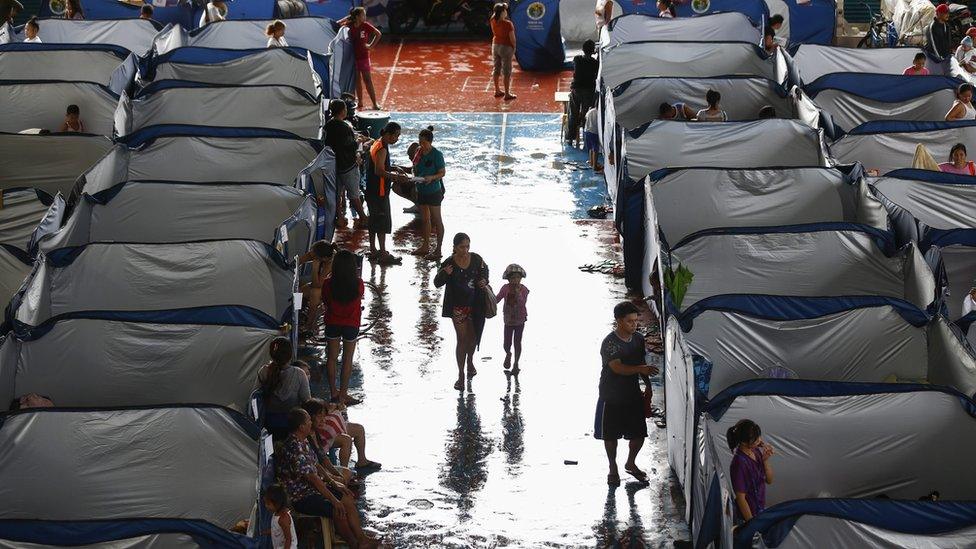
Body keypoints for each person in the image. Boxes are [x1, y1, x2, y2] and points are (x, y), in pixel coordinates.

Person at [276, 409, 379, 548]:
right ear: (301, 427)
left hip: (310, 489)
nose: (311, 423)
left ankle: (362, 538)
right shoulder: (295, 448)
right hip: (300, 497)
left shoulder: (303, 440)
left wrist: (335, 484)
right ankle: (353, 544)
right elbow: (313, 479)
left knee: (347, 497)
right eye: (308, 421)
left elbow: (316, 464)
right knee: (338, 509)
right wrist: (334, 499)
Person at [595, 301, 657, 486]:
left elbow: (641, 363)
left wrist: (648, 387)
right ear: (618, 321)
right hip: (612, 394)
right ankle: (612, 467)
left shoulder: (638, 339)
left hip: (632, 393)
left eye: (635, 321)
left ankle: (630, 462)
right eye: (630, 321)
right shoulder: (610, 343)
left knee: (639, 434)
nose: (634, 324)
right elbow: (618, 368)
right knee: (611, 435)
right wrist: (642, 369)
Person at [434, 233, 489, 391]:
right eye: (462, 247)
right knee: (462, 339)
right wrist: (445, 273)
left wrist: (484, 280)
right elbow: (437, 282)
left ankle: (470, 360)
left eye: (467, 246)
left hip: (475, 306)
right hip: (458, 308)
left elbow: (486, 271)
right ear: (454, 247)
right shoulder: (449, 262)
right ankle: (460, 374)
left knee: (473, 339)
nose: (465, 250)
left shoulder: (477, 259)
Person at [322, 250, 366, 406]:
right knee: (348, 358)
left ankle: (333, 392)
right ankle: (343, 395)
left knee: (332, 358)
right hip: (351, 324)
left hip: (332, 322)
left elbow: (326, 301)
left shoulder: (328, 284)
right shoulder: (358, 284)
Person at [365, 122, 407, 264]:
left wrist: (395, 168)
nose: (397, 138)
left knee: (373, 220)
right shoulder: (382, 148)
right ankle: (383, 253)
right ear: (388, 134)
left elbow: (380, 165)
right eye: (396, 135)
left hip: (371, 189)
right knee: (382, 222)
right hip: (379, 191)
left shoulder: (377, 143)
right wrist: (396, 177)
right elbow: (379, 171)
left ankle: (373, 249)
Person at [325, 99, 369, 227]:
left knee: (336, 194)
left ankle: (339, 217)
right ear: (343, 110)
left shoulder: (328, 125)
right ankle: (363, 217)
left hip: (334, 165)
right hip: (347, 166)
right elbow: (350, 146)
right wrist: (359, 140)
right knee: (354, 194)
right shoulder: (344, 127)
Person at [306, 398, 381, 472]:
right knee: (346, 440)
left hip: (324, 431)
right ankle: (344, 470)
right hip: (322, 435)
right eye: (320, 416)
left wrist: (336, 406)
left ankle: (362, 461)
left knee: (359, 429)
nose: (323, 419)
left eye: (324, 416)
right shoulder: (309, 435)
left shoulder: (320, 418)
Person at [257, 338, 311, 435]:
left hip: (269, 424)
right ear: (290, 355)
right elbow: (307, 401)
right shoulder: (299, 374)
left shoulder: (264, 371)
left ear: (272, 354)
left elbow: (258, 397)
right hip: (293, 426)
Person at [727, 419, 775, 522]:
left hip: (759, 510)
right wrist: (751, 525)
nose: (760, 440)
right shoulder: (738, 464)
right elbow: (741, 499)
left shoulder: (756, 452)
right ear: (744, 442)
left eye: (759, 437)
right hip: (747, 517)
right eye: (756, 439)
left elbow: (769, 480)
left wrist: (765, 460)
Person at [411, 126, 446, 258]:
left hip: (433, 191)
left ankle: (438, 249)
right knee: (425, 219)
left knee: (437, 220)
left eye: (424, 142)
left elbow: (442, 173)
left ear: (430, 142)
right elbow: (414, 167)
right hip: (421, 189)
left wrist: (431, 177)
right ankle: (425, 246)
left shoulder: (437, 154)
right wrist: (414, 177)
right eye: (420, 142)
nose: (421, 145)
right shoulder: (419, 152)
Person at [340, 7, 382, 111]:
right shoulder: (350, 25)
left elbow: (378, 34)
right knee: (357, 80)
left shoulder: (365, 25)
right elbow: (337, 24)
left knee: (367, 80)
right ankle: (360, 102)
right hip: (353, 57)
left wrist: (371, 45)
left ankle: (374, 103)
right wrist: (347, 18)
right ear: (358, 16)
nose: (365, 17)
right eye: (363, 15)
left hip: (363, 57)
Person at [496, 264, 528, 374]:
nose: (515, 280)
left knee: (517, 342)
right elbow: (497, 299)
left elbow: (523, 303)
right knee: (506, 343)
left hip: (520, 320)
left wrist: (518, 293)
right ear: (508, 279)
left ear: (521, 278)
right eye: (513, 278)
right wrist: (488, 294)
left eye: (518, 278)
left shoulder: (524, 290)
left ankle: (516, 364)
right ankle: (508, 353)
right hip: (508, 320)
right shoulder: (505, 288)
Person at [299, 240, 335, 335]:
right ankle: (298, 313)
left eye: (314, 257)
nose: (312, 256)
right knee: (299, 292)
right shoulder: (320, 254)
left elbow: (317, 285)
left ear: (322, 258)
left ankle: (309, 325)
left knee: (314, 293)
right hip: (325, 285)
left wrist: (314, 268)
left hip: (335, 289)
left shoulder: (329, 263)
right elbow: (300, 260)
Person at [568, 40, 599, 145]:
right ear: (593, 51)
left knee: (573, 113)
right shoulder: (595, 63)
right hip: (589, 91)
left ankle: (571, 138)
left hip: (576, 90)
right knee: (586, 115)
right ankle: (587, 139)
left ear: (582, 49)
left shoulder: (577, 59)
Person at [489, 3, 517, 101]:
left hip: (495, 45)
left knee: (496, 68)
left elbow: (495, 13)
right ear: (502, 12)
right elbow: (512, 39)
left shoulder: (492, 20)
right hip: (506, 47)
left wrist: (501, 6)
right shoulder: (508, 24)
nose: (506, 12)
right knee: (506, 71)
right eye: (505, 10)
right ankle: (507, 94)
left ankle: (497, 90)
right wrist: (514, 48)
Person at [262, 484, 297, 549]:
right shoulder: (276, 513)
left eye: (268, 504)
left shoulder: (283, 519)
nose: (266, 506)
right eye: (265, 503)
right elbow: (276, 529)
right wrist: (265, 532)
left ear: (278, 504)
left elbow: (288, 539)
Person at [584, 105, 602, 172]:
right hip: (594, 132)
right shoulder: (600, 112)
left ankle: (591, 163)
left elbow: (585, 117)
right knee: (595, 149)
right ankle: (595, 166)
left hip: (587, 131)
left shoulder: (590, 111)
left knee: (591, 148)